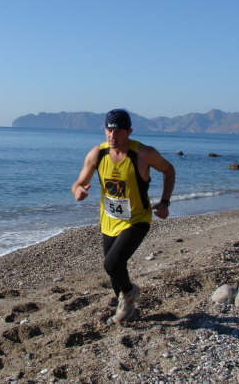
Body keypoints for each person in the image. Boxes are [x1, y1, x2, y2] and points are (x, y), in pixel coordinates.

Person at [71, 109, 175, 324]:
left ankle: (129, 293)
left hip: (137, 220)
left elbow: (169, 170)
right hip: (109, 220)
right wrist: (78, 191)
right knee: (115, 271)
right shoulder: (97, 154)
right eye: (108, 130)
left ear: (129, 132)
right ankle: (128, 308)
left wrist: (165, 202)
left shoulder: (143, 154)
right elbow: (78, 182)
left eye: (117, 132)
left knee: (112, 264)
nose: (112, 136)